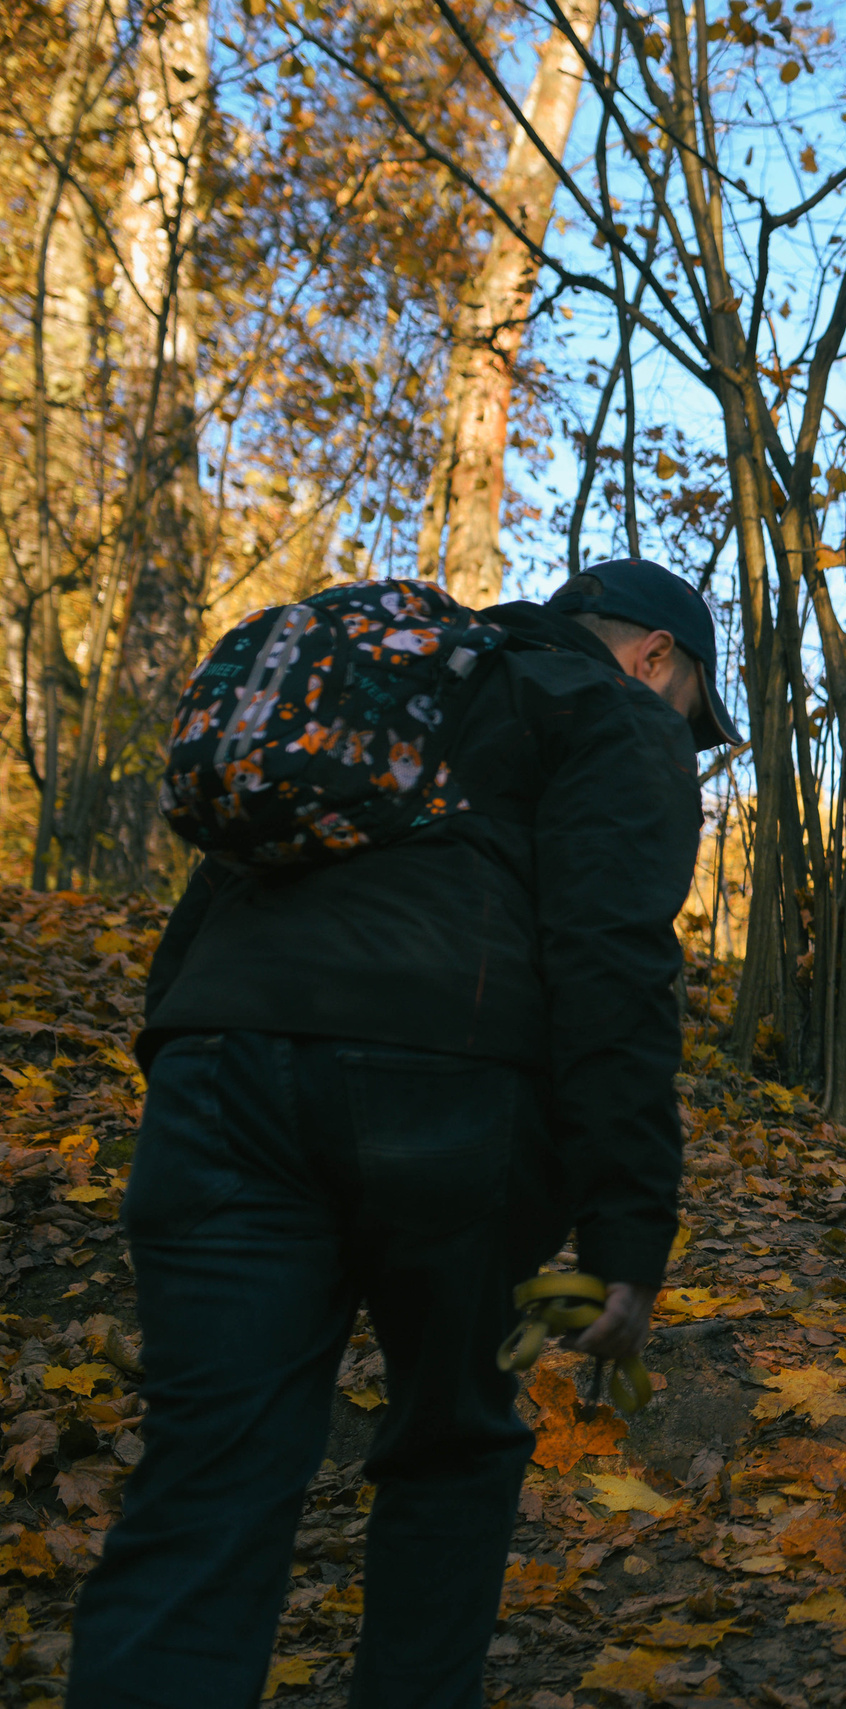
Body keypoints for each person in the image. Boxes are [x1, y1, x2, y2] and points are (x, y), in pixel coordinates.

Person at [70, 559, 740, 1709]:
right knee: (451, 1447)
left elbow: (215, 902)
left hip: (220, 1071)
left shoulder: (394, 679)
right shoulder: (609, 712)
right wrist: (628, 1226)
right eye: (692, 716)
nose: (683, 735)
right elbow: (612, 960)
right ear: (655, 659)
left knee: (203, 1483)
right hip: (448, 1093)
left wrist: (189, 1060)